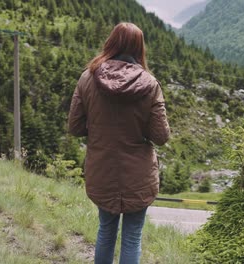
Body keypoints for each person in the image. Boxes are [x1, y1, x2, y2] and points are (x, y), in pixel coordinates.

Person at [68, 22, 170, 264]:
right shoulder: (150, 84)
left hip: (102, 169)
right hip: (138, 175)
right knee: (132, 237)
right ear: (139, 48)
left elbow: (75, 127)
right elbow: (161, 136)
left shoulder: (87, 78)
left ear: (111, 42)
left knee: (106, 230)